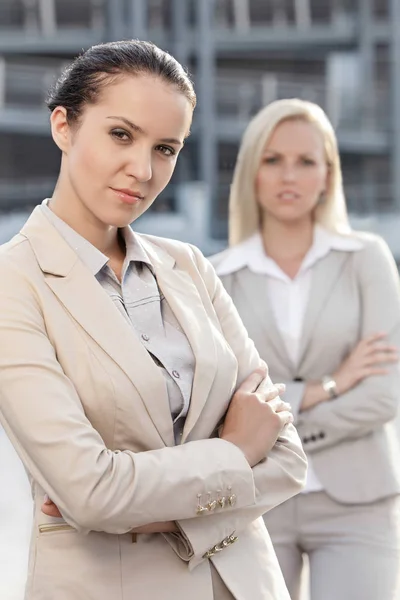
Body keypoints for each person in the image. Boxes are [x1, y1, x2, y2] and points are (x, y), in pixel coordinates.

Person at [0, 42, 307, 600]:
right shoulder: (12, 283)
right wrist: (236, 453)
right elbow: (90, 491)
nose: (142, 170)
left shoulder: (189, 265)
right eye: (121, 134)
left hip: (248, 585)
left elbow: (287, 456)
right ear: (63, 126)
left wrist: (152, 517)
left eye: (165, 148)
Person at [211, 98, 400, 600]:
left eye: (305, 161)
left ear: (327, 175)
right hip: (255, 501)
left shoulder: (367, 259)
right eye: (273, 160)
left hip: (359, 500)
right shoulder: (214, 276)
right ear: (251, 172)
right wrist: (328, 386)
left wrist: (273, 421)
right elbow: (218, 404)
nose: (288, 175)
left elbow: (385, 395)